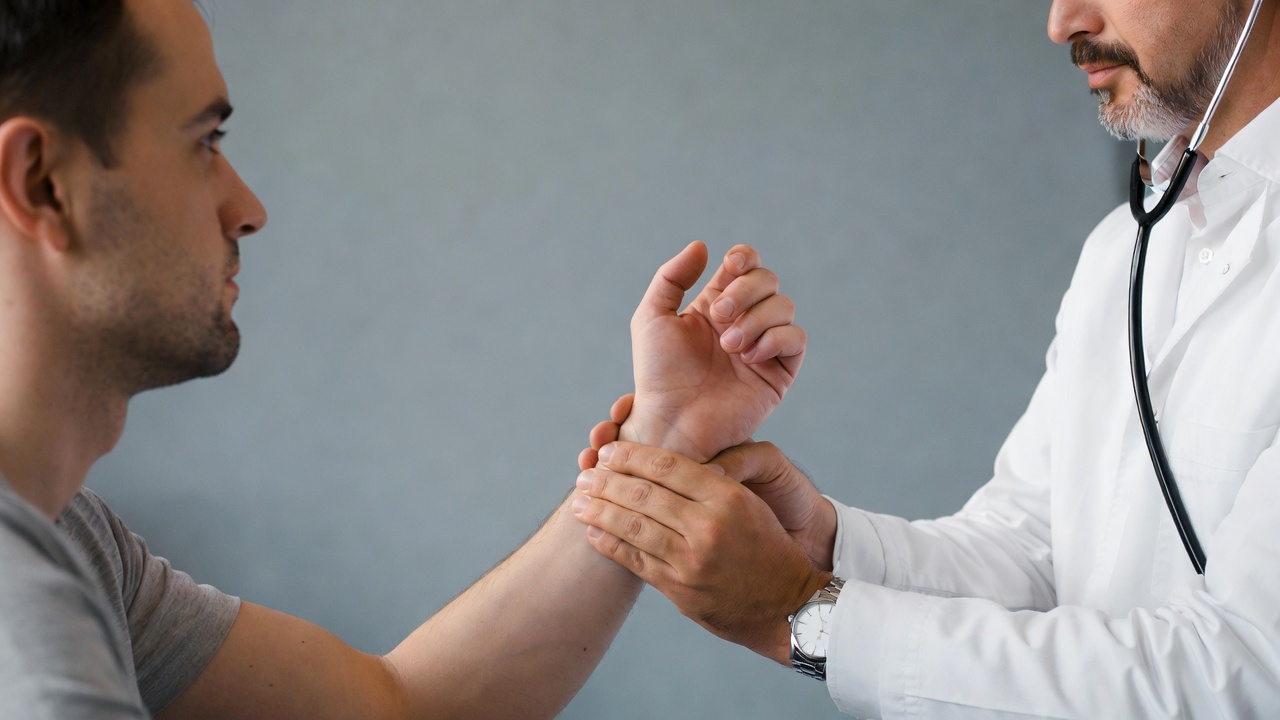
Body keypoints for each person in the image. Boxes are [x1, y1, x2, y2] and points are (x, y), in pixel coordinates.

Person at [0, 0, 808, 717]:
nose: (248, 209)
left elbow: (403, 706)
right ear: (40, 183)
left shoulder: (72, 543)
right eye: (203, 141)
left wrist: (661, 438)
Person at [573, 0, 1280, 716]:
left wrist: (796, 614)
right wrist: (818, 543)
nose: (1063, 21)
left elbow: (1245, 672)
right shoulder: (1123, 251)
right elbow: (1031, 551)